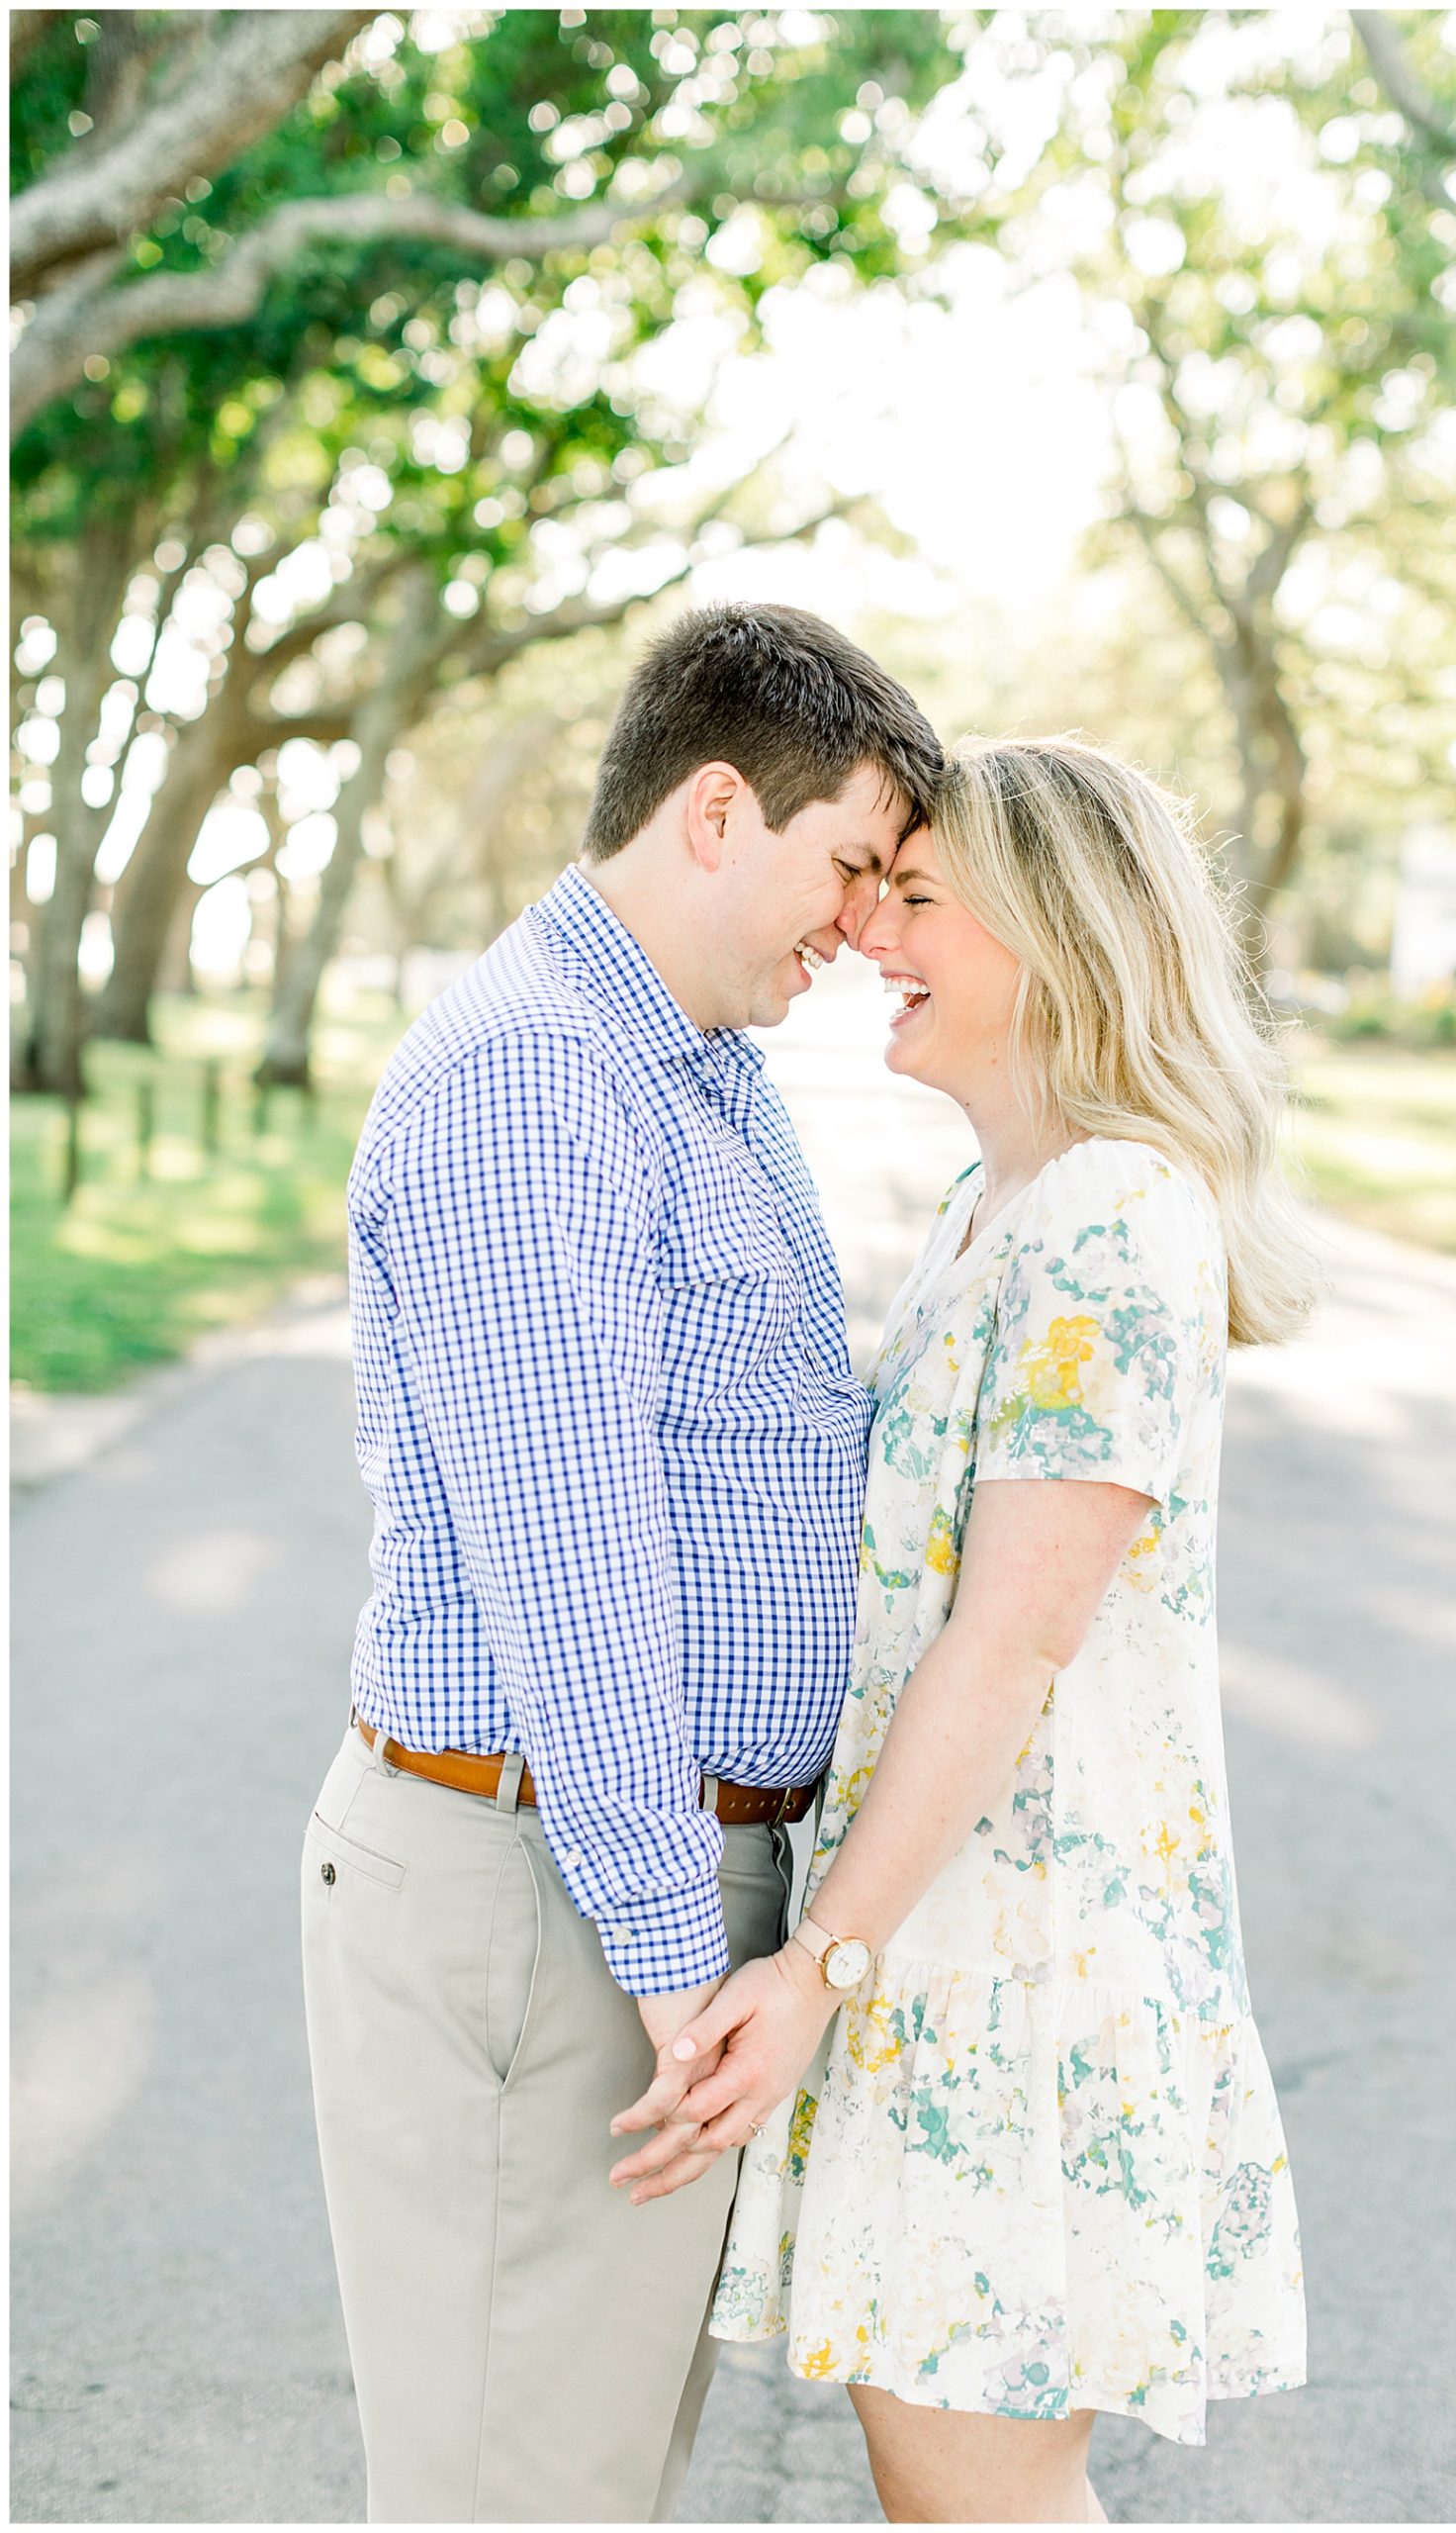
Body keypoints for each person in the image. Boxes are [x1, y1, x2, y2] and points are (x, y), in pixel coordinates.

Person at [609, 734, 1320, 2524]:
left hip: (1023, 1970)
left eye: (918, 899)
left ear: (1059, 938)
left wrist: (813, 1966)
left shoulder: (1109, 1217)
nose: (867, 934)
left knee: (980, 2500)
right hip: (942, 1944)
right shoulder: (992, 1205)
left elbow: (1007, 1645)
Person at [299, 602, 944, 2523]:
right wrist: (681, 1972)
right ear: (716, 808)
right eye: (845, 862)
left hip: (627, 1885)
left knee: (583, 2474)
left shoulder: (679, 1065)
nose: (853, 922)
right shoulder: (531, 1081)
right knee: (520, 2490)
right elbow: (569, 1578)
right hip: (554, 1899)